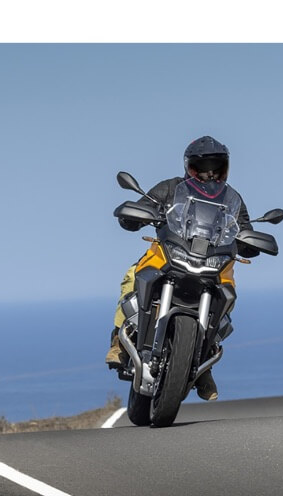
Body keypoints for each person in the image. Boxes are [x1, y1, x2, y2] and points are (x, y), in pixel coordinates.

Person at [105, 135, 256, 401]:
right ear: (189, 167)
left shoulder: (233, 200)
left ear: (225, 168)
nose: (209, 174)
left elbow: (244, 229)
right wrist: (136, 215)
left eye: (216, 168)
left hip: (213, 261)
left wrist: (250, 242)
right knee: (132, 277)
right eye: (202, 168)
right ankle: (119, 340)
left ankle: (204, 359)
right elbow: (144, 207)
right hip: (169, 252)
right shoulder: (171, 188)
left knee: (228, 293)